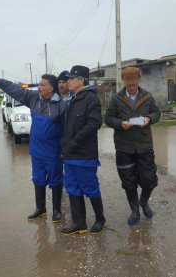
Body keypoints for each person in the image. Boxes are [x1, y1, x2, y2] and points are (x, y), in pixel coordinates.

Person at [0, 75, 66, 223]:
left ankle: (57, 210)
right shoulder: (34, 98)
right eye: (39, 85)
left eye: (42, 85)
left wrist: (64, 150)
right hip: (36, 150)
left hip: (53, 151)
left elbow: (67, 131)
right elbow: (15, 89)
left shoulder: (61, 105)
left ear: (50, 88)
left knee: (56, 180)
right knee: (38, 179)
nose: (38, 88)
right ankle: (40, 209)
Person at [104, 67, 161, 225]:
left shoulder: (147, 97)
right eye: (129, 85)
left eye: (134, 85)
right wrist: (120, 124)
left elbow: (157, 113)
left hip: (145, 146)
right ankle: (134, 210)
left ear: (139, 80)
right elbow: (108, 118)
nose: (131, 88)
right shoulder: (116, 98)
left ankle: (144, 202)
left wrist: (149, 119)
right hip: (124, 147)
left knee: (149, 180)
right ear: (124, 82)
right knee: (128, 182)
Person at [60, 65, 106, 235]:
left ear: (81, 80)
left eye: (71, 78)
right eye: (68, 78)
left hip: (84, 154)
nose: (68, 81)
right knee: (72, 187)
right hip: (70, 154)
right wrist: (65, 145)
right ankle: (79, 223)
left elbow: (95, 123)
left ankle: (100, 219)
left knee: (89, 186)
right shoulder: (73, 98)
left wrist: (75, 141)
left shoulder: (90, 98)